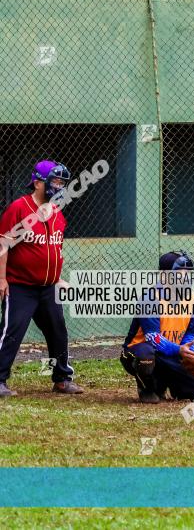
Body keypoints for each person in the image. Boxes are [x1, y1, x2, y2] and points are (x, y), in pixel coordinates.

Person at [0, 161, 85, 397]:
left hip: (48, 288)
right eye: (54, 181)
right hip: (20, 286)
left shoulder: (56, 211)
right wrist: (2, 279)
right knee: (11, 332)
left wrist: (57, 277)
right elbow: (3, 245)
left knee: (58, 331)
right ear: (38, 182)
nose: (59, 186)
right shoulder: (19, 208)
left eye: (62, 182)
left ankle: (62, 379)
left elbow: (54, 248)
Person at [120, 251, 194, 404]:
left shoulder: (191, 297)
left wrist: (189, 354)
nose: (185, 278)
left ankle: (172, 385)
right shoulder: (150, 298)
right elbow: (153, 339)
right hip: (139, 352)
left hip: (170, 353)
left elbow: (190, 332)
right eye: (179, 274)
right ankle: (147, 388)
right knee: (145, 355)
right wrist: (179, 350)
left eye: (188, 274)